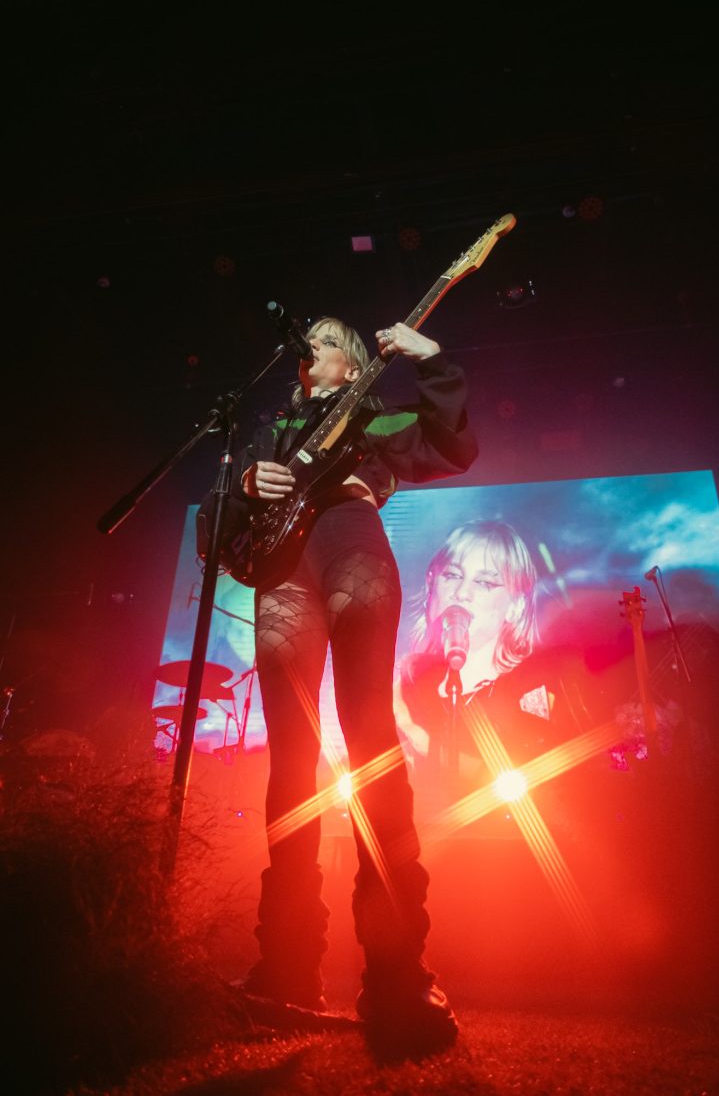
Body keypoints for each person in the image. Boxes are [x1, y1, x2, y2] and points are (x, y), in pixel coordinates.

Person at [197, 316, 477, 1049]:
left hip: (351, 544)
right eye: (307, 340)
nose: (309, 348)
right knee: (289, 761)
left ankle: (396, 972)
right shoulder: (266, 432)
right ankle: (284, 966)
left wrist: (434, 362)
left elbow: (451, 443)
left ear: (352, 366)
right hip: (281, 570)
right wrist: (248, 483)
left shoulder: (371, 412)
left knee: (370, 738)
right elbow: (216, 534)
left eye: (324, 339)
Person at [394, 519, 595, 831]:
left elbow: (536, 786)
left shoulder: (535, 685)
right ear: (432, 584)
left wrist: (417, 738)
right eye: (452, 575)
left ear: (515, 605)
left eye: (485, 583)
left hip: (507, 861)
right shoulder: (407, 684)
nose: (461, 593)